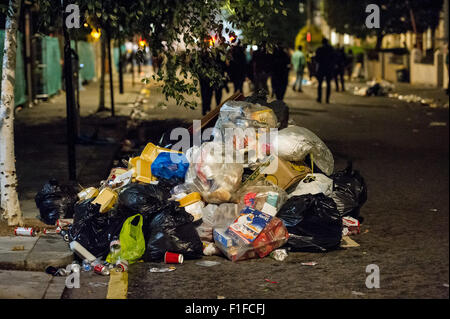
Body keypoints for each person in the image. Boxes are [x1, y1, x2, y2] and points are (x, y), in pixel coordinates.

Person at [315, 38, 335, 103]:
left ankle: (319, 98)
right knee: (328, 84)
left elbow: (316, 59)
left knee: (320, 84)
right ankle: (327, 99)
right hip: (329, 68)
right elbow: (334, 59)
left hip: (321, 68)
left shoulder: (319, 49)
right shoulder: (331, 49)